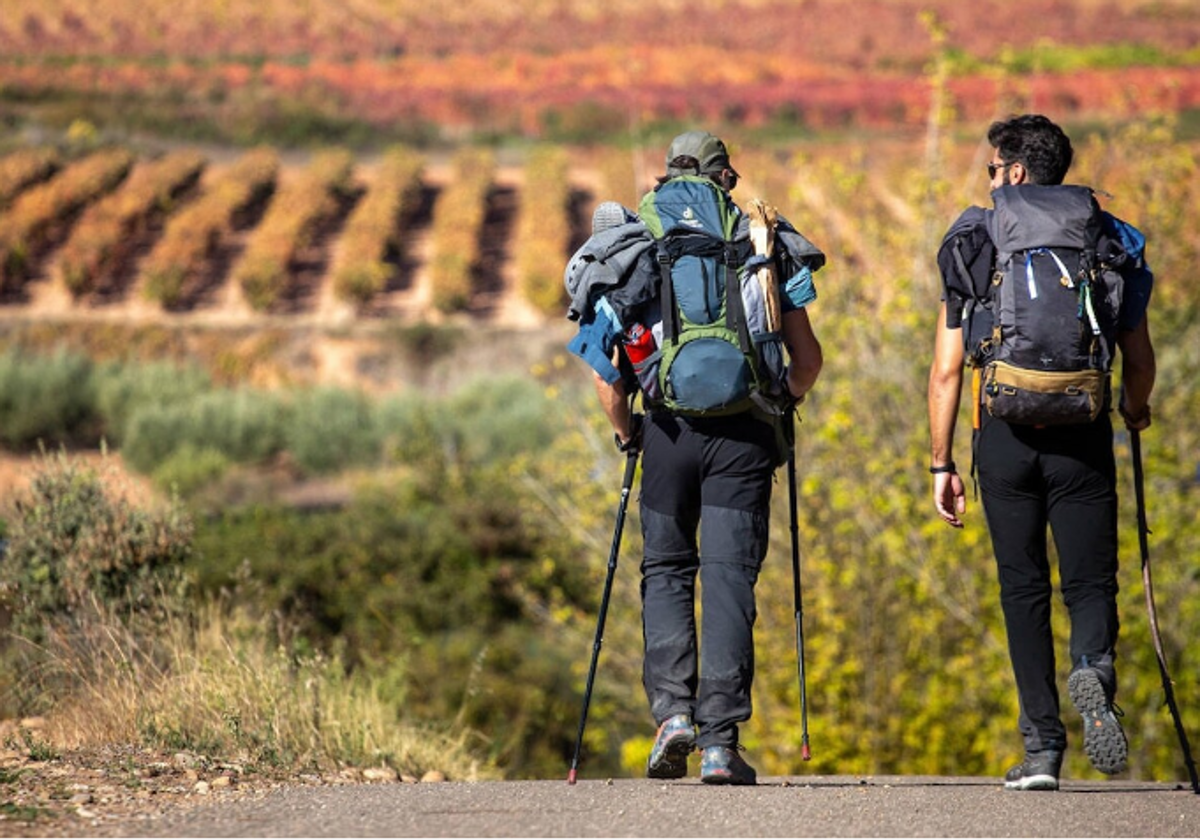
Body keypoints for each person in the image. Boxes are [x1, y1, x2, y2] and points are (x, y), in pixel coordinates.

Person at [568, 130, 824, 785]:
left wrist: (629, 433)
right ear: (726, 178)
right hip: (744, 437)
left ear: (667, 174)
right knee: (731, 580)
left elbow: (605, 376)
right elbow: (808, 362)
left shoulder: (633, 241)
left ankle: (673, 716)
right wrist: (779, 400)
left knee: (667, 570)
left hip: (667, 437)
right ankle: (719, 743)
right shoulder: (760, 236)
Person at [927, 114, 1156, 791]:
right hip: (1082, 428)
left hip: (1002, 434)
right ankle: (1094, 665)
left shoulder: (976, 237)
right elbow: (1139, 358)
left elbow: (945, 370)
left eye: (994, 171)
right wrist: (1134, 410)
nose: (990, 181)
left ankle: (1040, 750)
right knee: (1090, 581)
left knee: (1022, 586)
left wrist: (941, 464)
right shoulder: (1111, 238)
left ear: (1016, 173)